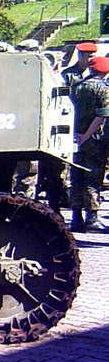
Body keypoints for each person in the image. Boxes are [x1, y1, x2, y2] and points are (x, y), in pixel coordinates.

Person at [69, 54, 109, 232]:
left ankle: (75, 218)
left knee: (76, 177)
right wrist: (87, 135)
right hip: (95, 140)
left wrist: (78, 135)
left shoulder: (76, 86)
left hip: (75, 139)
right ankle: (91, 218)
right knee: (93, 179)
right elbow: (102, 116)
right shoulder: (102, 88)